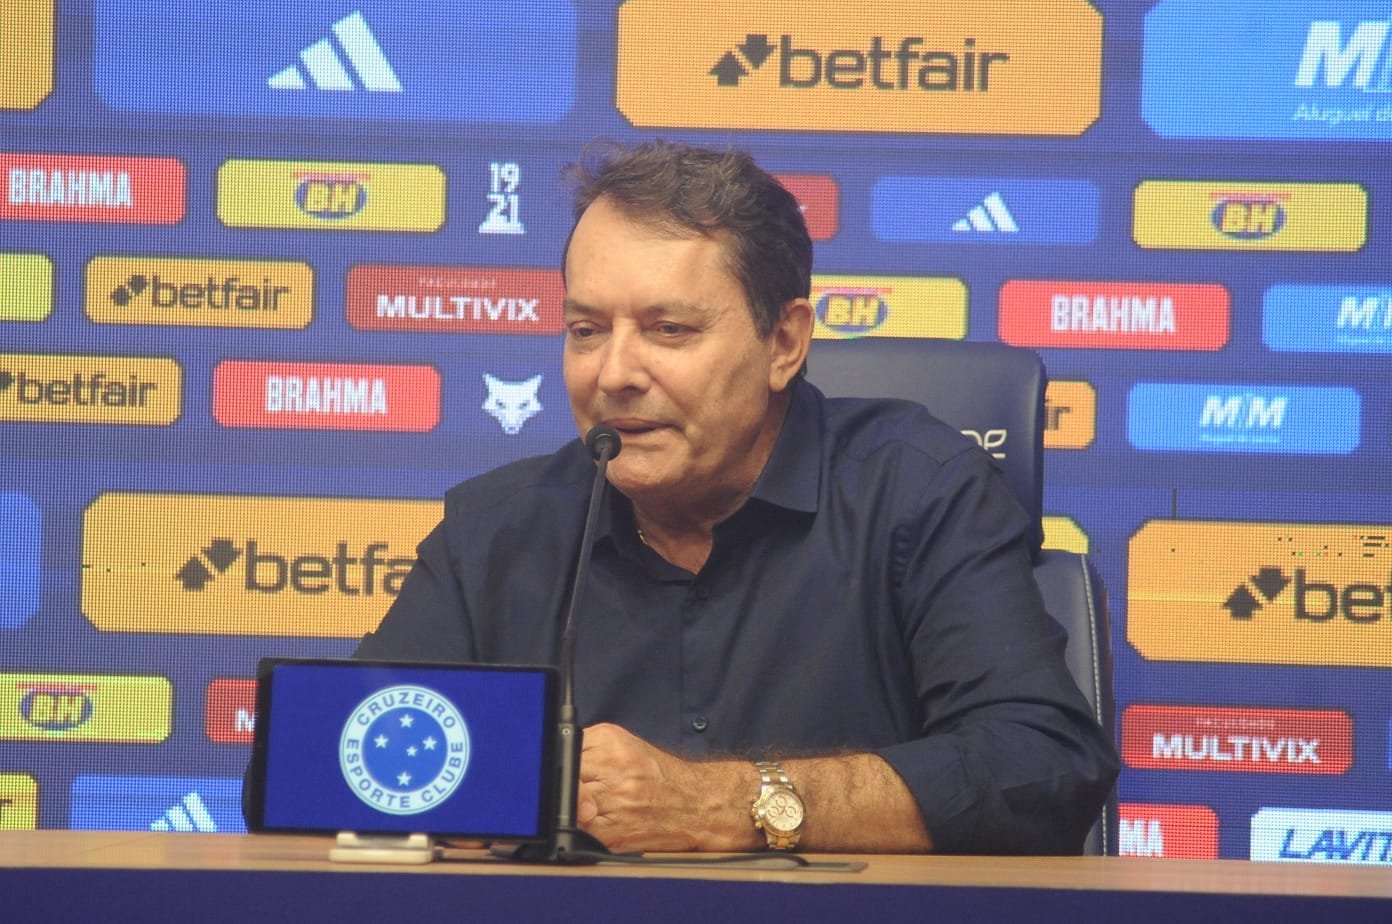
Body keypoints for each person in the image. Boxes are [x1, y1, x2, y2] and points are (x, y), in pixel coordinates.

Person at [354, 140, 1118, 855]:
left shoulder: (919, 492)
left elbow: (1041, 766)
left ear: (783, 344)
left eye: (668, 329)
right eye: (586, 330)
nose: (613, 372)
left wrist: (726, 803)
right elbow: (326, 764)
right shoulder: (500, 529)